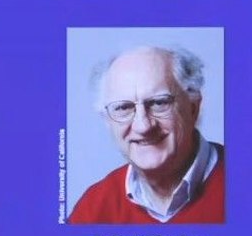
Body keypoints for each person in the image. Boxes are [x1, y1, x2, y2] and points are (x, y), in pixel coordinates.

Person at [68, 44, 226, 224]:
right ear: (107, 121)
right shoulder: (93, 208)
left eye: (159, 103)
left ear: (193, 108)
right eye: (123, 107)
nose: (143, 126)